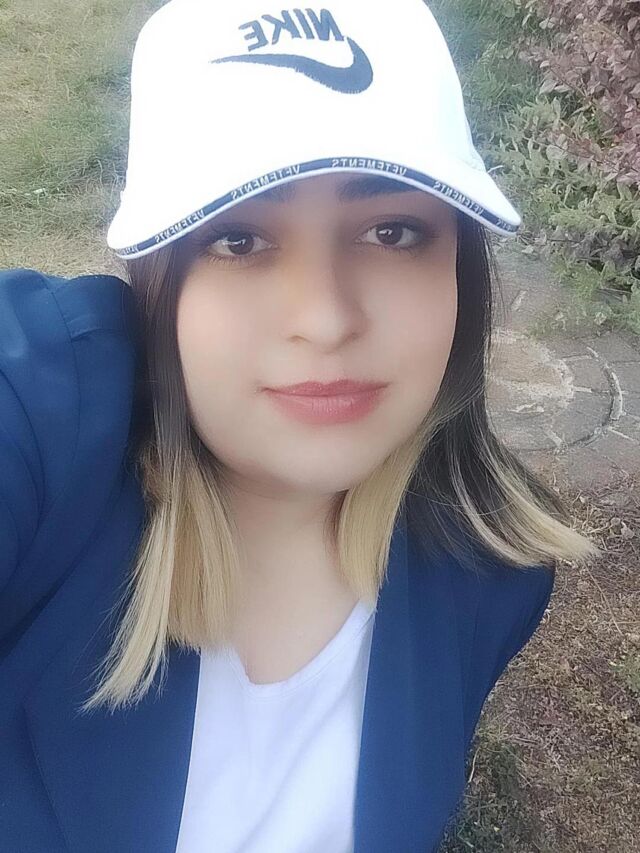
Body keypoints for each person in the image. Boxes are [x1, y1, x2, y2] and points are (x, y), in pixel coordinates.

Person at [0, 1, 600, 851]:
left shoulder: (494, 572)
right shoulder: (41, 419)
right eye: (239, 240)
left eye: (393, 230)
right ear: (156, 281)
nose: (324, 319)